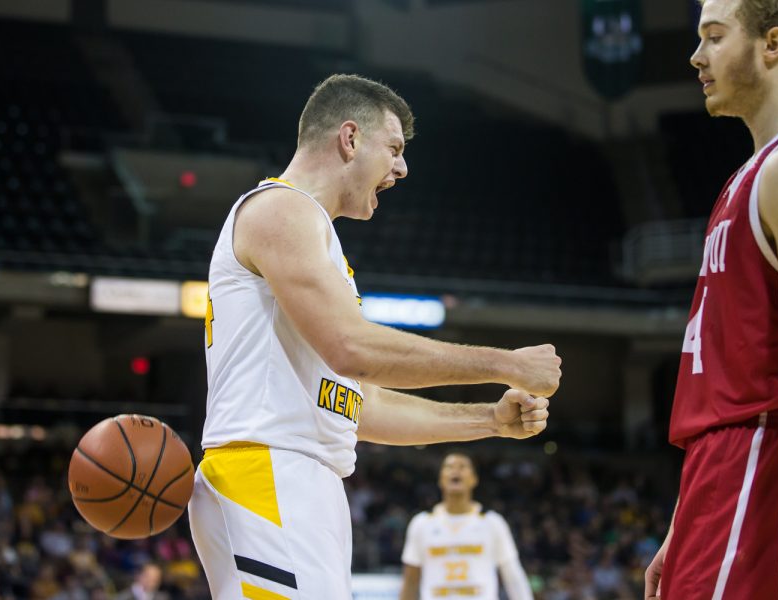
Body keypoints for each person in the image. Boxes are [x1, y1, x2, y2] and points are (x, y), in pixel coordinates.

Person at [188, 73, 562, 600]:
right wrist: (506, 363)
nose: (402, 167)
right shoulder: (282, 209)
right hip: (267, 477)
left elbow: (358, 406)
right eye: (394, 148)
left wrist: (490, 420)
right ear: (349, 138)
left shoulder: (313, 234)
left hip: (299, 484)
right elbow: (354, 349)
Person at [644, 1, 778, 599]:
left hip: (763, 464)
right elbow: (724, 382)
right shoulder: (752, 174)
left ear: (772, 45)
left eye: (714, 37)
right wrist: (682, 524)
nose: (696, 56)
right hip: (723, 472)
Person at [399, 452, 533, 600]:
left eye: (463, 467)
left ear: (474, 479)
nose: (455, 470)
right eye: (449, 467)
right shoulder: (421, 523)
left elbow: (513, 577)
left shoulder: (493, 522)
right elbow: (410, 581)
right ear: (440, 479)